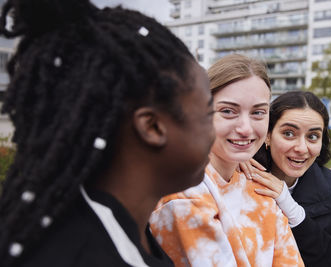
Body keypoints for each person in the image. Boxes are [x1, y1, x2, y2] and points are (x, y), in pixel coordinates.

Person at [0, 0, 215, 266]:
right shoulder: (79, 254)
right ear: (152, 127)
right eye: (209, 113)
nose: (215, 131)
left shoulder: (114, 227)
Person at [150, 54, 304, 267]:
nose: (246, 128)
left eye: (258, 112)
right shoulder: (182, 193)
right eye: (228, 111)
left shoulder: (260, 188)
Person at [247, 91, 331, 266]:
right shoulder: (238, 179)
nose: (302, 148)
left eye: (313, 136)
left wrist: (295, 214)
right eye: (289, 133)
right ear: (268, 135)